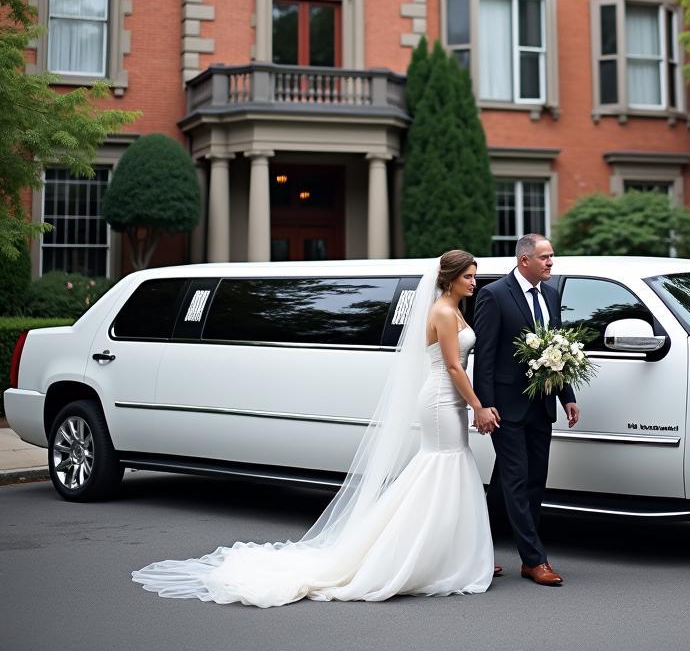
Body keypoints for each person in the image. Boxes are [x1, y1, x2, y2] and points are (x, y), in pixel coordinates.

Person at [131, 251, 500, 606]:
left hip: (447, 399)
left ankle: (451, 555)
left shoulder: (453, 309)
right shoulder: (444, 312)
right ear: (449, 278)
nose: (474, 281)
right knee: (441, 468)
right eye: (468, 276)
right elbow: (453, 367)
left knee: (444, 470)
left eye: (474, 275)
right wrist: (479, 407)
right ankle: (424, 556)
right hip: (441, 399)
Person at [473, 233, 580, 586]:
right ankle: (534, 560)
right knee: (518, 481)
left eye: (552, 257)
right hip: (505, 408)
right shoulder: (494, 295)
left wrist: (567, 396)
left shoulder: (551, 294)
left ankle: (474, 551)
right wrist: (484, 405)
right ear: (524, 261)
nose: (551, 262)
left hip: (541, 406)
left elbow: (557, 350)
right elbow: (484, 357)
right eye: (545, 257)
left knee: (530, 481)